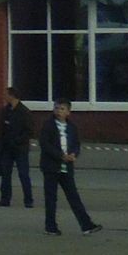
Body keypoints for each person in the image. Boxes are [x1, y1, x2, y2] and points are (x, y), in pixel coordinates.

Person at [37, 99, 101, 236]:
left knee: (73, 196)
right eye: (56, 108)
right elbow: (45, 144)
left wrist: (73, 154)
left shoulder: (71, 127)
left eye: (62, 109)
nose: (58, 111)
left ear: (68, 112)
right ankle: (50, 227)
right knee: (51, 198)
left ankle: (86, 225)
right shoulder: (48, 126)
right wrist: (60, 156)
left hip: (67, 167)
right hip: (51, 167)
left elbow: (76, 144)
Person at [0, 88, 35, 209]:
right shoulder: (5, 111)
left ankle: (28, 200)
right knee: (5, 174)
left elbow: (29, 131)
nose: (4, 97)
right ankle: (5, 198)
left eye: (6, 94)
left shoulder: (24, 112)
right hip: (7, 149)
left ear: (12, 96)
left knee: (23, 174)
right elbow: (1, 129)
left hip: (20, 149)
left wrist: (18, 141)